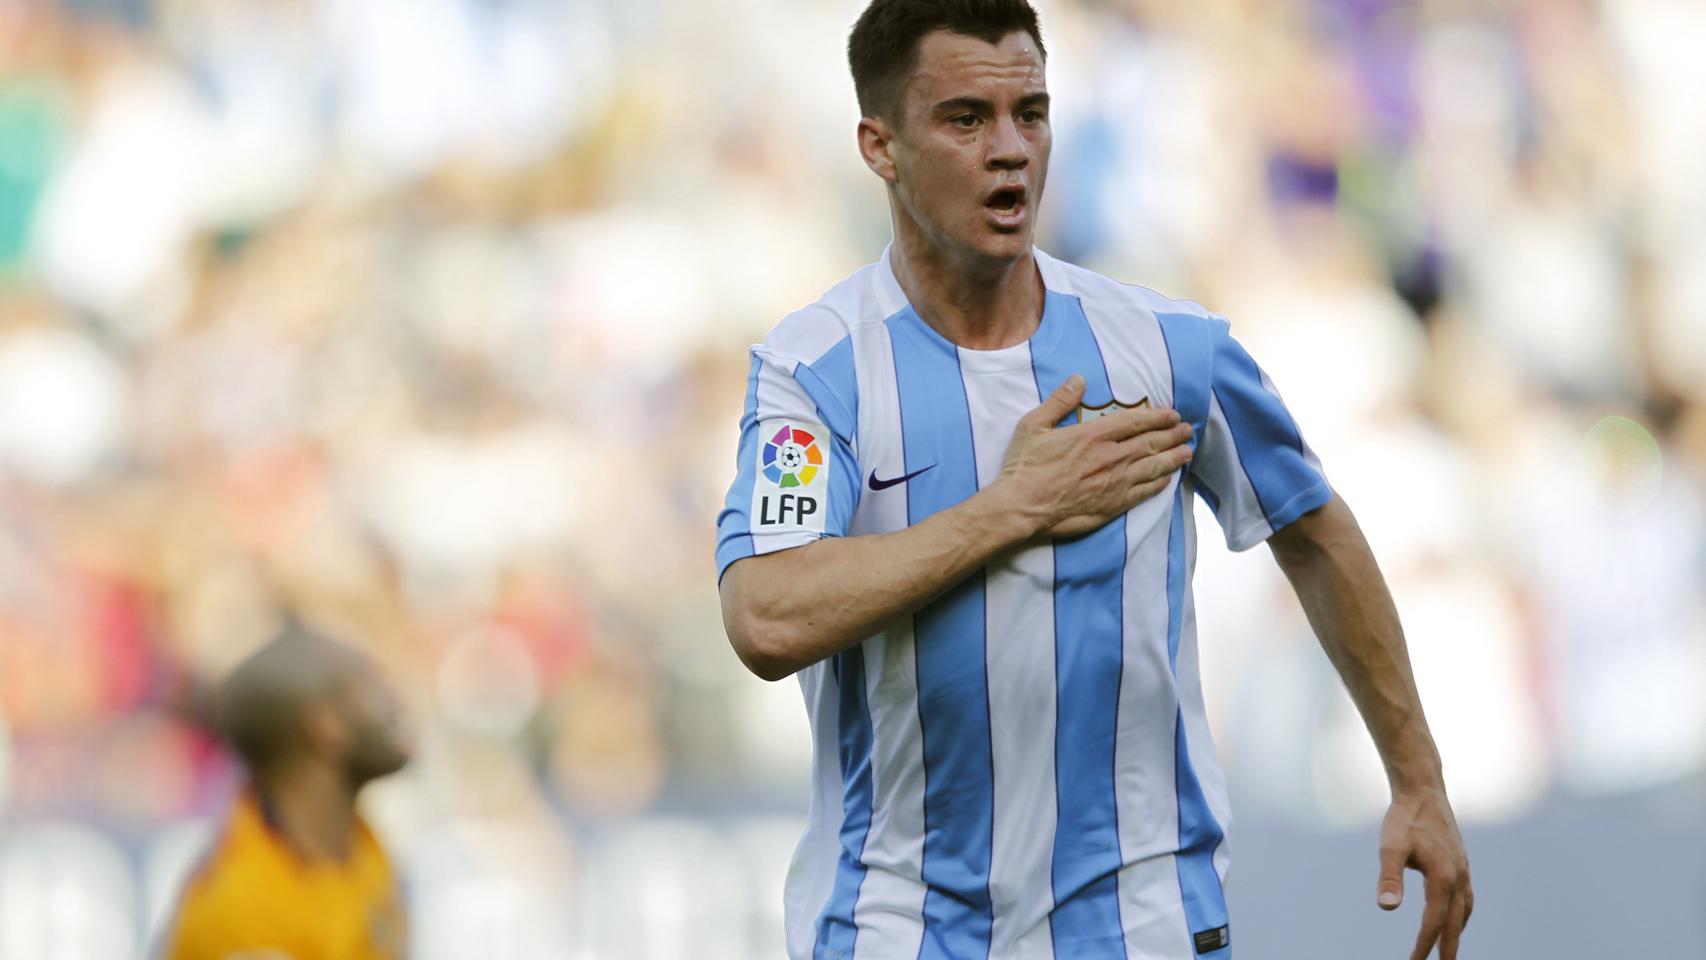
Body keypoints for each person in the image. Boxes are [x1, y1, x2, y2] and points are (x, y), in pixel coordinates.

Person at [714, 1, 1473, 958]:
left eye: (1030, 113)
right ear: (881, 147)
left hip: (1140, 925)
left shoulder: (1166, 349)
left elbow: (1313, 530)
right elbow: (765, 617)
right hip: (898, 929)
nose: (1010, 150)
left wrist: (1416, 778)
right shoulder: (815, 372)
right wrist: (1014, 509)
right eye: (964, 120)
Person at [159, 625, 411, 960]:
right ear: (326, 725)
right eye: (372, 685)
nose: (397, 702)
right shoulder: (247, 909)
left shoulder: (360, 845)